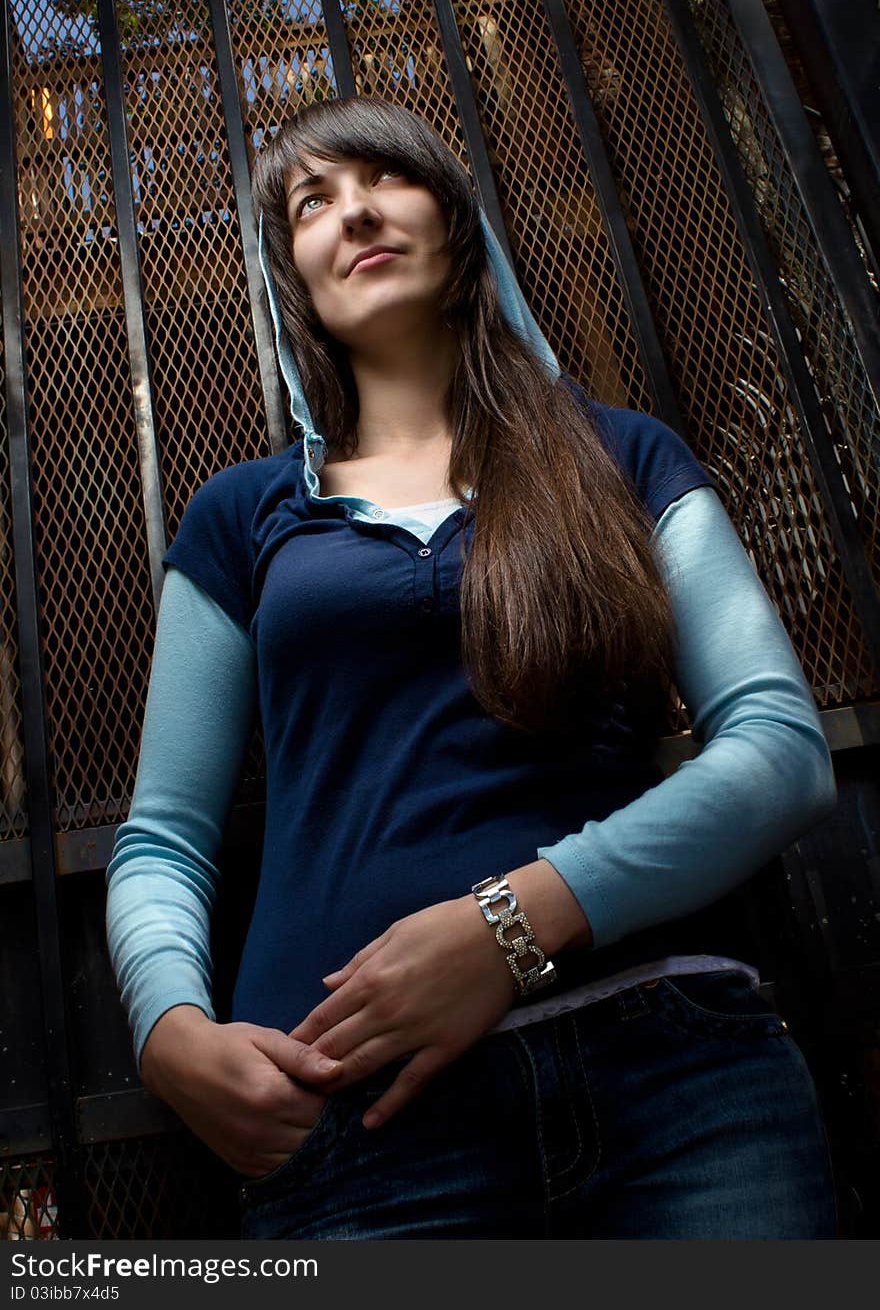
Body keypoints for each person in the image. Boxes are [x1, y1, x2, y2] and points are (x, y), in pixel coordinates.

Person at [106, 95, 838, 1239]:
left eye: (379, 178)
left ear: (453, 218)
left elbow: (779, 752)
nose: (352, 213)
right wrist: (168, 1033)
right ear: (292, 273)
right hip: (358, 1126)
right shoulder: (242, 516)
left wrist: (514, 922)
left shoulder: (621, 456)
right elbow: (163, 836)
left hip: (679, 1079)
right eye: (312, 201)